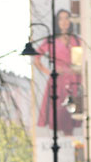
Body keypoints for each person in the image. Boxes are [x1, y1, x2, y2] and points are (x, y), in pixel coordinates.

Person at [34, 9, 82, 137]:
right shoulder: (51, 41)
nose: (64, 22)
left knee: (73, 113)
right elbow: (37, 58)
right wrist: (49, 72)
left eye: (67, 18)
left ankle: (71, 141)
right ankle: (62, 141)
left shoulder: (76, 40)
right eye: (61, 18)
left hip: (74, 80)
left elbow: (81, 59)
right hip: (58, 81)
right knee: (58, 112)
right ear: (57, 21)